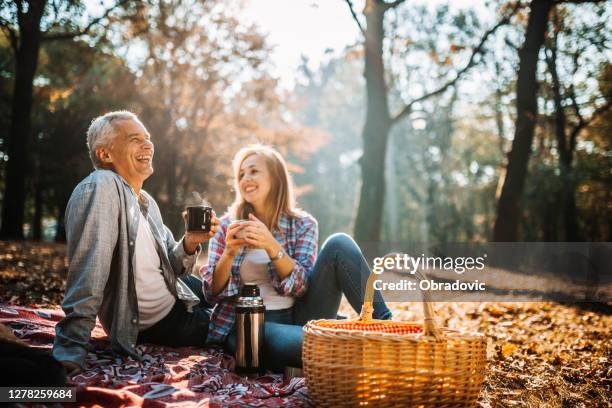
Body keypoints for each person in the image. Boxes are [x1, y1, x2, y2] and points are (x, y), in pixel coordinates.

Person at [53, 111, 219, 375]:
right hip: (168, 319)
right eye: (134, 139)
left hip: (179, 290)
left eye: (148, 138)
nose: (148, 145)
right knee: (243, 322)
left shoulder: (146, 201)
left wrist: (189, 242)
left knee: (241, 295)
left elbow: (172, 266)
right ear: (105, 155)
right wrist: (70, 351)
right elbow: (89, 272)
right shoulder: (101, 186)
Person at [200, 144, 391, 372]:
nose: (245, 179)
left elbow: (301, 287)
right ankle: (352, 347)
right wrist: (229, 253)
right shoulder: (226, 227)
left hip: (300, 315)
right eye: (241, 174)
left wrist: (273, 247)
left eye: (253, 171)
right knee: (325, 345)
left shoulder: (303, 224)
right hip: (248, 325)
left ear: (275, 177)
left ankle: (390, 328)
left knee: (339, 243)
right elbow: (211, 293)